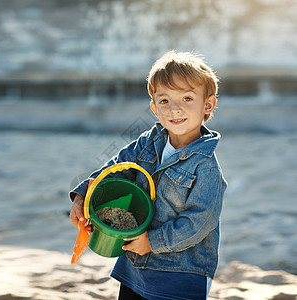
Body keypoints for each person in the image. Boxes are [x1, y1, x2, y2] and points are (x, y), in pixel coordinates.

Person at [69, 50, 227, 300]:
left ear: (207, 105)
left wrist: (152, 242)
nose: (175, 109)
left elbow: (199, 223)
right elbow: (116, 168)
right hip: (134, 267)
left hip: (180, 274)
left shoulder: (205, 167)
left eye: (187, 98)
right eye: (165, 101)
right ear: (154, 108)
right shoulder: (147, 143)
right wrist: (83, 195)